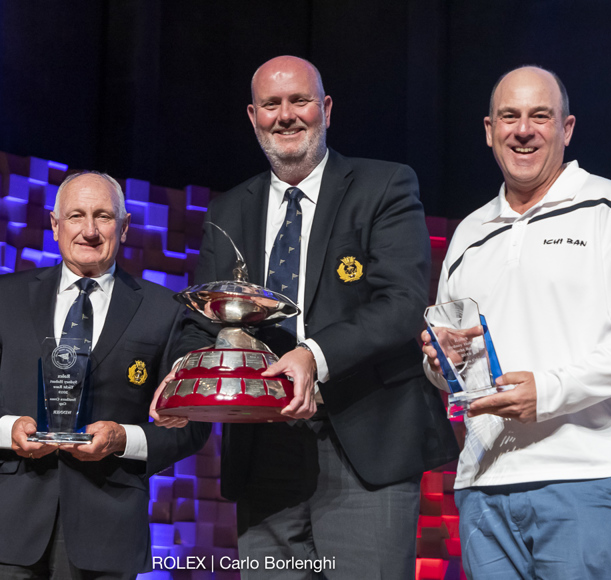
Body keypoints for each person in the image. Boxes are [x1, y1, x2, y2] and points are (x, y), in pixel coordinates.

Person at [153, 55, 459, 579]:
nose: (286, 115)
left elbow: (401, 303)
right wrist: (184, 376)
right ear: (253, 116)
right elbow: (202, 318)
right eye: (271, 104)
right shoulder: (228, 211)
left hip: (366, 448)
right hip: (263, 453)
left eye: (300, 100)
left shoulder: (384, 186)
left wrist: (311, 357)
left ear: (326, 108)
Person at [421, 66, 611, 579]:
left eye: (540, 116)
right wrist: (440, 361)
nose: (523, 130)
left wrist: (550, 391)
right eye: (509, 117)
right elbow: (456, 361)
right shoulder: (470, 233)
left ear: (566, 129)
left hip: (585, 477)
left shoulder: (610, 210)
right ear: (489, 130)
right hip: (483, 485)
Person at [0, 171, 211, 579]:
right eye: (76, 215)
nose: (90, 230)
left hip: (109, 528)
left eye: (103, 216)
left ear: (126, 226)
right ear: (54, 224)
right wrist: (7, 429)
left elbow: (191, 423)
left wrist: (123, 439)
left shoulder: (163, 311)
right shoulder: (4, 296)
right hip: (10, 526)